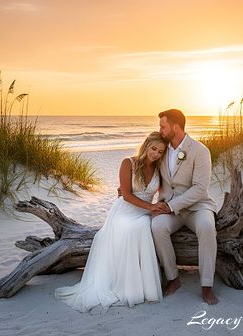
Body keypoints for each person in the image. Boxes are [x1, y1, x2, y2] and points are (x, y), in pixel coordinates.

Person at [54, 131, 167, 312]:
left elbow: (165, 192)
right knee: (132, 228)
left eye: (161, 151)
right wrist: (151, 207)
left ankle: (144, 286)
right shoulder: (128, 163)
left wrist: (160, 206)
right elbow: (127, 196)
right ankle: (127, 286)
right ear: (146, 145)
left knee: (143, 226)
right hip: (125, 211)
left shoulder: (159, 169)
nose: (156, 154)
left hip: (144, 213)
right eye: (154, 148)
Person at [150, 109, 219, 305]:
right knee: (157, 227)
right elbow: (144, 165)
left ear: (175, 126)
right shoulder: (161, 149)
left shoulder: (200, 151)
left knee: (207, 227)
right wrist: (128, 187)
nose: (160, 130)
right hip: (170, 208)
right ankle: (173, 279)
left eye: (163, 126)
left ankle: (207, 285)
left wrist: (170, 206)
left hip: (197, 206)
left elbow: (199, 189)